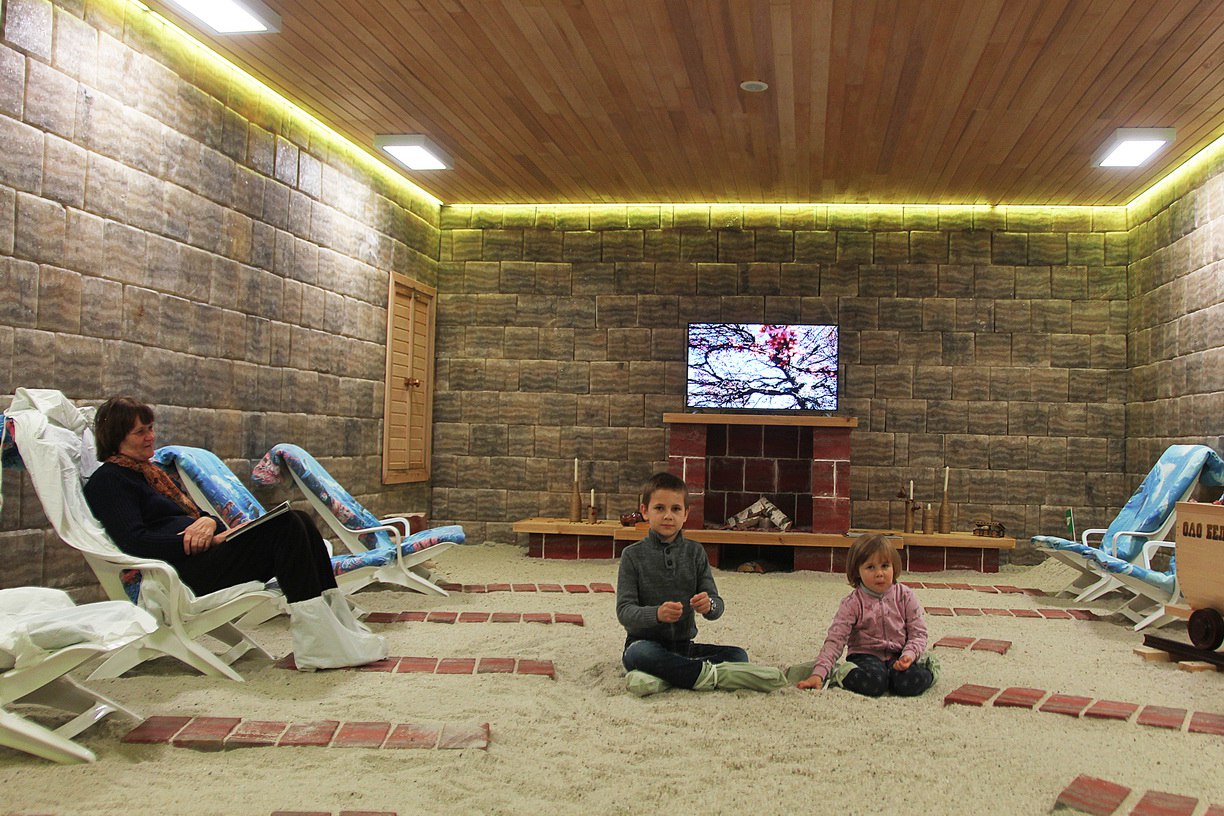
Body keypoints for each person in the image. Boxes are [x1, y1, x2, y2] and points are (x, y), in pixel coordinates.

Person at [83, 396, 386, 671]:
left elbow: (200, 517)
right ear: (116, 438)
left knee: (300, 520)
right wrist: (195, 540)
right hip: (176, 575)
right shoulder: (108, 481)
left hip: (201, 556)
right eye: (140, 432)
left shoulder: (151, 474)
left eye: (150, 428)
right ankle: (319, 646)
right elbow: (134, 542)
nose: (151, 437)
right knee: (287, 527)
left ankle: (337, 629)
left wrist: (207, 524)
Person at [616, 471, 785, 695]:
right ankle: (702, 674)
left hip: (684, 647)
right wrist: (656, 614)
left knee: (738, 655)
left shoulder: (695, 552)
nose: (668, 516)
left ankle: (669, 677)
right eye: (660, 508)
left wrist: (709, 606)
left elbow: (716, 603)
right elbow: (624, 611)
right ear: (645, 511)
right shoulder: (632, 555)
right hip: (644, 643)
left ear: (686, 514)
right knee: (639, 655)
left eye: (676, 509)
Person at [797, 533, 935, 696]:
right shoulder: (852, 603)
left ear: (894, 566)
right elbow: (835, 640)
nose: (879, 573)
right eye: (870, 567)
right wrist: (819, 673)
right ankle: (842, 673)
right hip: (865, 656)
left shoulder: (905, 596)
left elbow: (918, 633)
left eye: (885, 566)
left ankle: (930, 668)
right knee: (874, 683)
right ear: (857, 571)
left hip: (899, 654)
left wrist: (909, 655)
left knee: (908, 683)